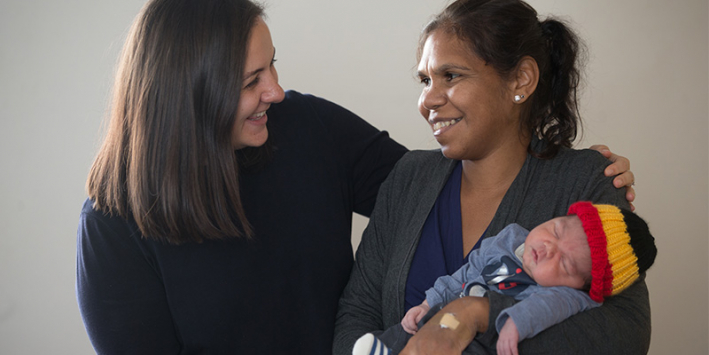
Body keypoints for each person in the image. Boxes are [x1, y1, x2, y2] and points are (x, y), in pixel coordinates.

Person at [76, 0, 634, 353]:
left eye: (272, 65)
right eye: (251, 80)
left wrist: (572, 167)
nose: (275, 89)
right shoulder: (114, 224)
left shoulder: (306, 126)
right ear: (187, 94)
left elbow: (440, 182)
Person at [333, 0, 651, 354]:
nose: (428, 99)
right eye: (425, 79)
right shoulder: (409, 176)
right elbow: (357, 312)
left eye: (451, 76)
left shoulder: (586, 181)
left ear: (521, 79)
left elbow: (625, 334)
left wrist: (477, 312)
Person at [351, 202, 657, 355]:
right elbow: (466, 273)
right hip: (440, 319)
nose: (548, 248)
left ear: (581, 285)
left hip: (477, 342)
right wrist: (430, 300)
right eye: (557, 230)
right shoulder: (509, 239)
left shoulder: (566, 295)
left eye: (565, 262)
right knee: (408, 329)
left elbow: (546, 309)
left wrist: (515, 323)